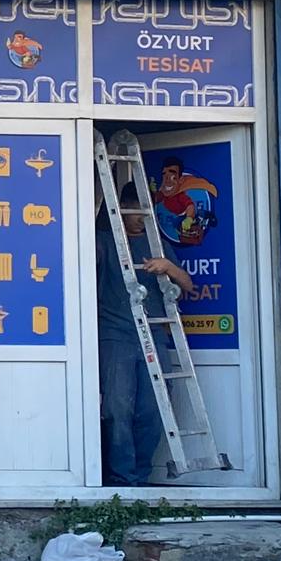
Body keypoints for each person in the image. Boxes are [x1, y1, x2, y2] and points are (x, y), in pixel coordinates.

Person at [97, 180, 196, 486]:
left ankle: (139, 477)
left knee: (154, 410)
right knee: (117, 408)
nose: (141, 217)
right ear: (120, 209)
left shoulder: (156, 244)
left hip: (153, 336)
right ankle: (122, 479)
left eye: (145, 211)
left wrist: (168, 266)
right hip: (115, 335)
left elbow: (188, 285)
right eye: (135, 211)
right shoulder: (103, 242)